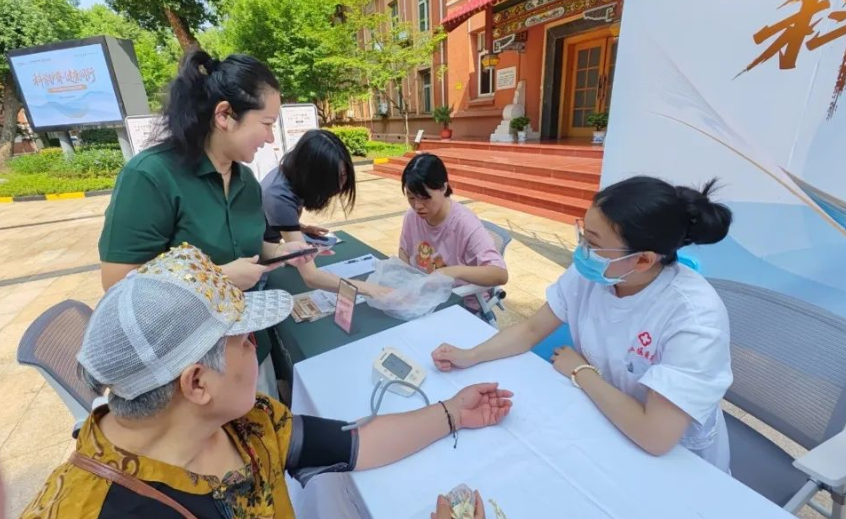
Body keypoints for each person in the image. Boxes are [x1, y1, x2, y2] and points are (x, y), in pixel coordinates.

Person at [20, 244, 513, 519]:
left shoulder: (244, 424)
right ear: (196, 383)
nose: (255, 345)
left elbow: (354, 443)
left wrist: (452, 412)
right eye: (243, 338)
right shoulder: (92, 510)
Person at [431, 176, 735, 472]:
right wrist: (470, 355)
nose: (581, 251)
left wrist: (581, 372)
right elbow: (530, 330)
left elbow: (655, 435)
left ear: (643, 260)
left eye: (592, 243)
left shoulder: (694, 317)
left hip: (677, 463)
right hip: (605, 418)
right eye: (583, 235)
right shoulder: (595, 276)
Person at [98, 50, 314, 395]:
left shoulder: (245, 181)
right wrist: (219, 277)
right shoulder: (151, 177)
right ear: (225, 115)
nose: (271, 139)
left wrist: (282, 251)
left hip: (246, 345)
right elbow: (118, 284)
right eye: (267, 124)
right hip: (189, 367)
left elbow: (246, 244)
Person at [262, 129, 392, 297]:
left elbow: (273, 218)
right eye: (333, 178)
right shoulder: (279, 195)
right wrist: (369, 289)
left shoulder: (291, 173)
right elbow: (311, 277)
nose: (340, 186)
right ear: (313, 174)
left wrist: (302, 228)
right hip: (251, 266)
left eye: (344, 175)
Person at [398, 154, 508, 309]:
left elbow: (500, 274)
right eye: (411, 198)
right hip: (425, 298)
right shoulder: (412, 216)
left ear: (443, 188)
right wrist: (407, 280)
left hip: (460, 302)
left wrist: (453, 272)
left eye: (424, 198)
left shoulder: (465, 223)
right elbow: (404, 250)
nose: (417, 206)